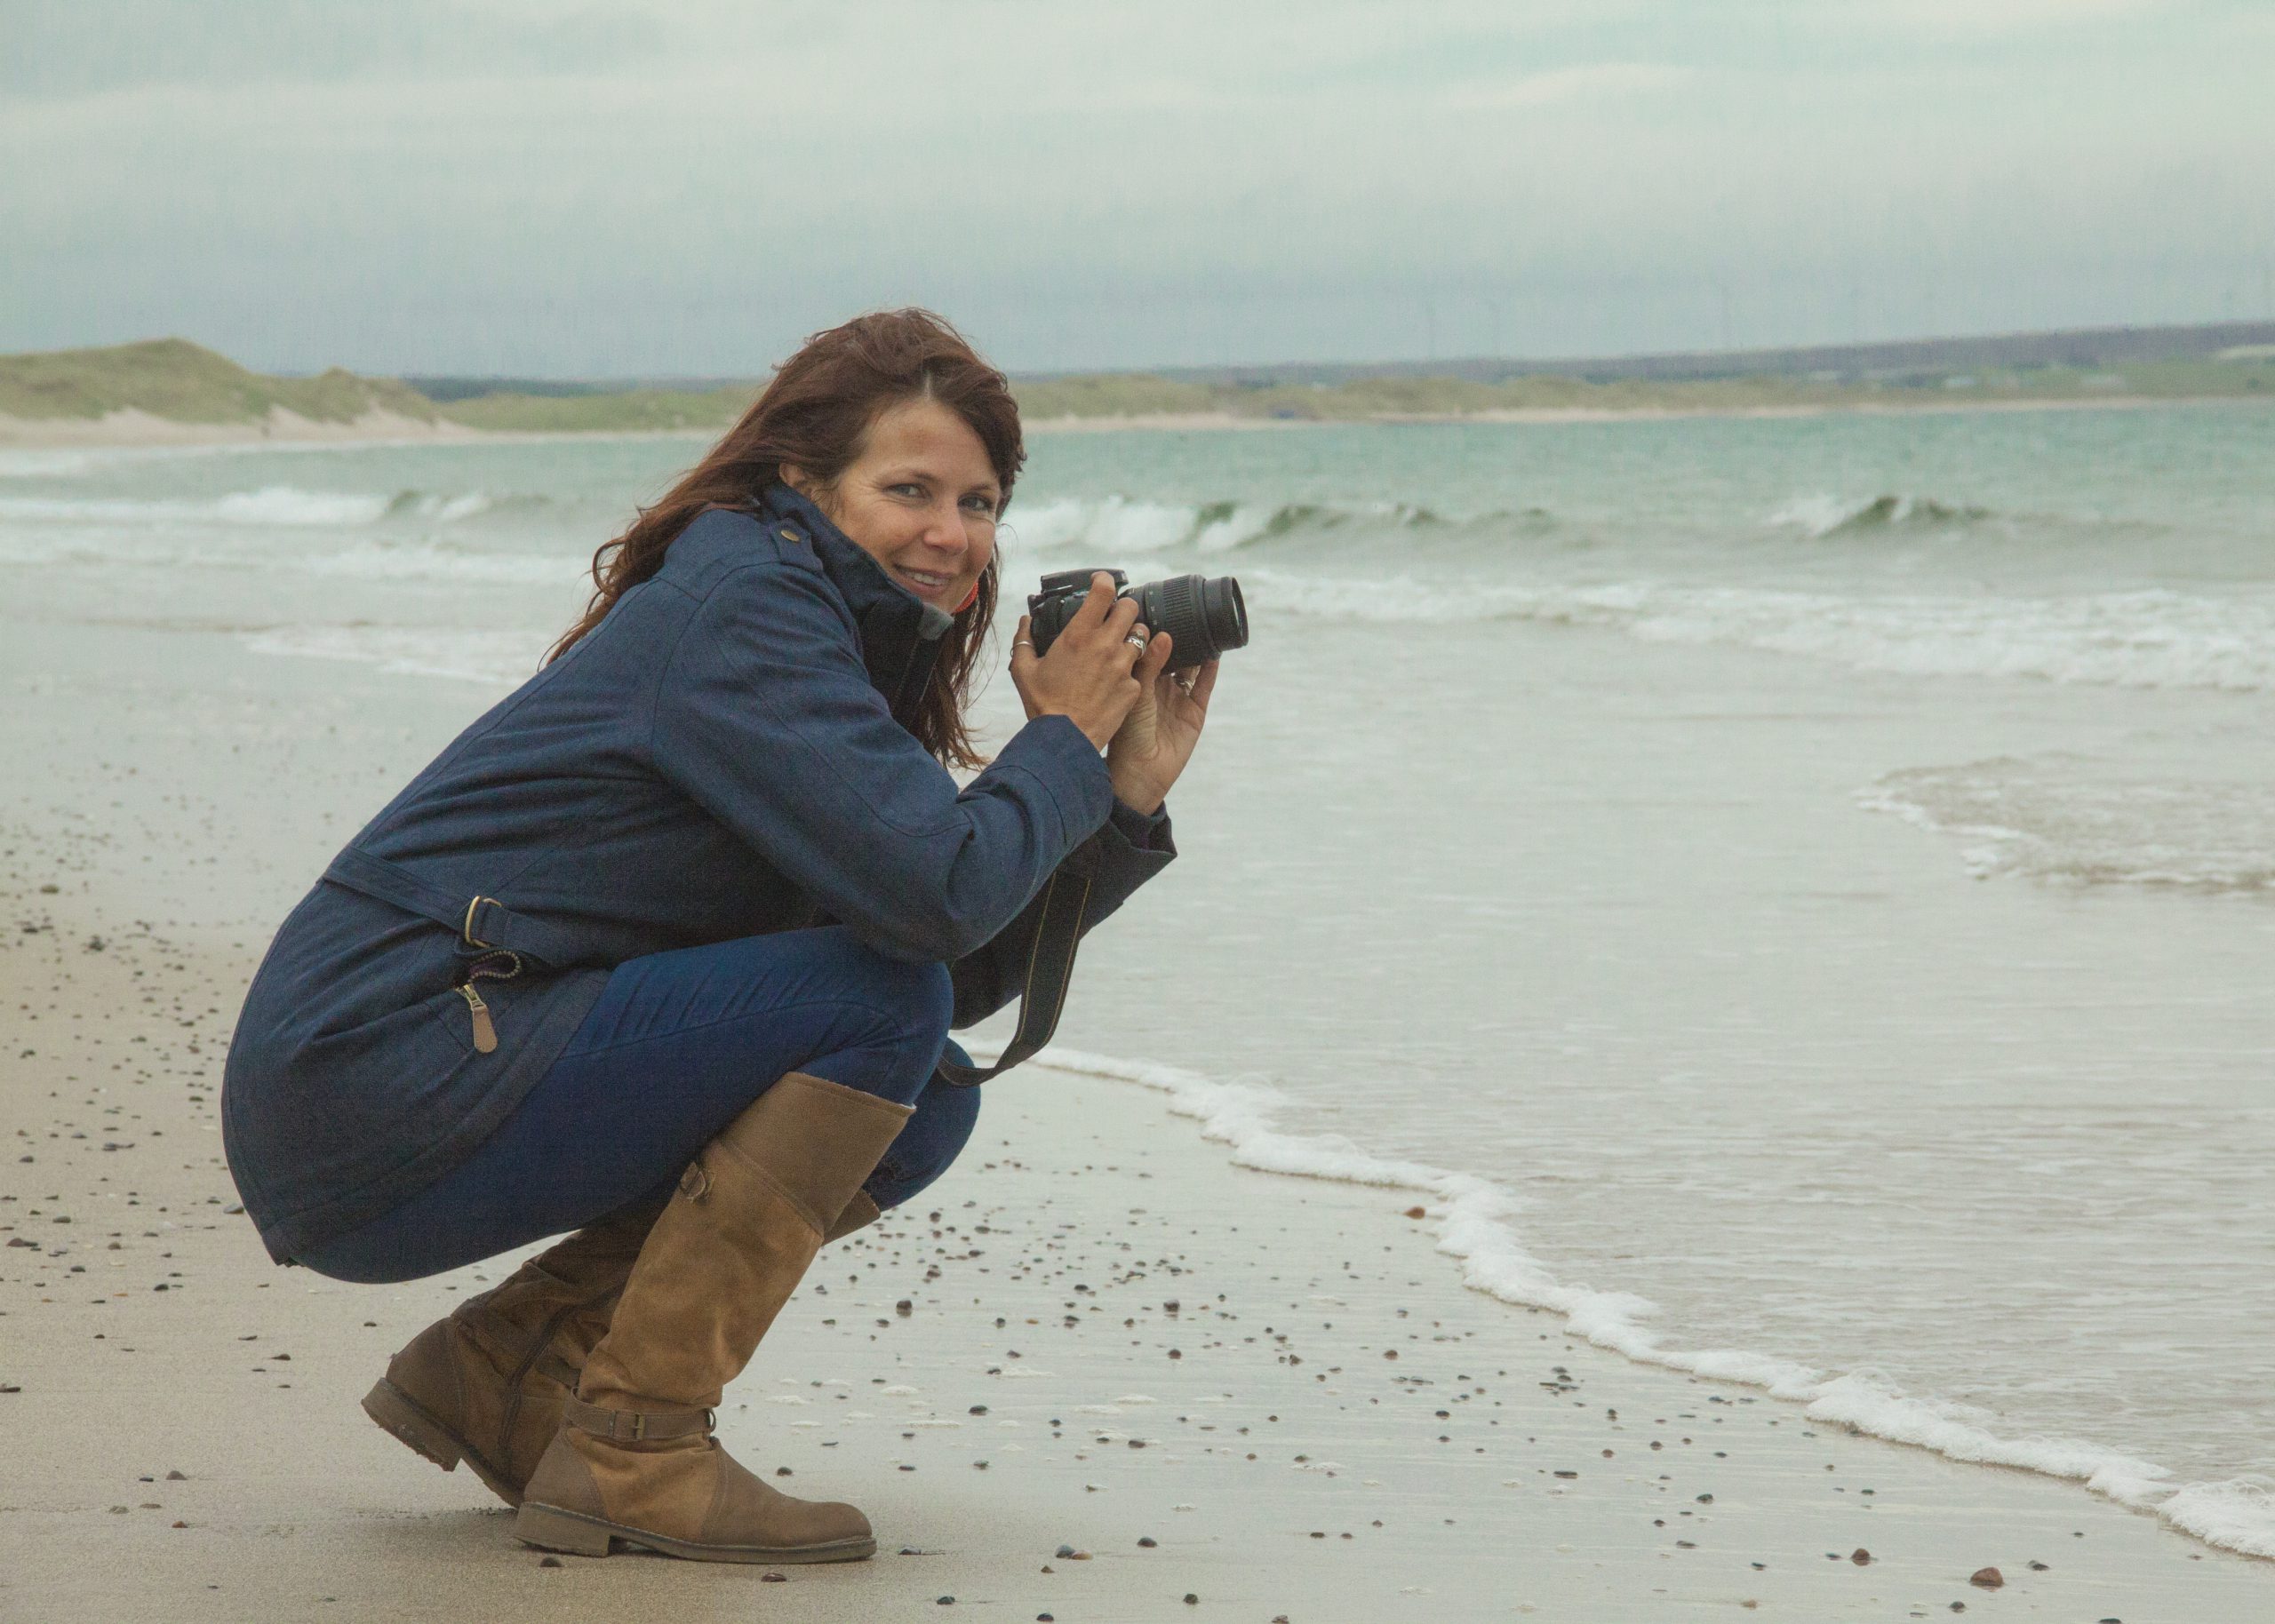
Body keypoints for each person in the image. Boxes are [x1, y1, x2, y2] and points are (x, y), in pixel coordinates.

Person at [219, 308, 1217, 1565]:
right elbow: (935, 904)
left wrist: (1118, 805)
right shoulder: (746, 604)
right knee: (886, 1022)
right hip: (375, 1071)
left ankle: (513, 1372)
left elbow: (933, 968)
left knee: (921, 1091)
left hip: (421, 1074)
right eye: (909, 489)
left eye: (978, 502)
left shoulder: (816, 628)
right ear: (803, 476)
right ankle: (634, 1451)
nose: (951, 534)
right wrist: (1060, 746)